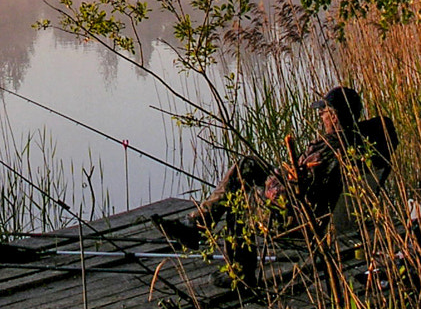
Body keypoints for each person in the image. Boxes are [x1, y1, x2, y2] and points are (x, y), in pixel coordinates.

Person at [157, 86, 397, 284]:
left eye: (323, 111)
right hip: (325, 211)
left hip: (299, 219)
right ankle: (197, 224)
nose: (320, 116)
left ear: (333, 115)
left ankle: (237, 273)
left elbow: (288, 193)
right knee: (249, 165)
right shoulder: (360, 145)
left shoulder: (327, 152)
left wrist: (276, 179)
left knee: (238, 195)